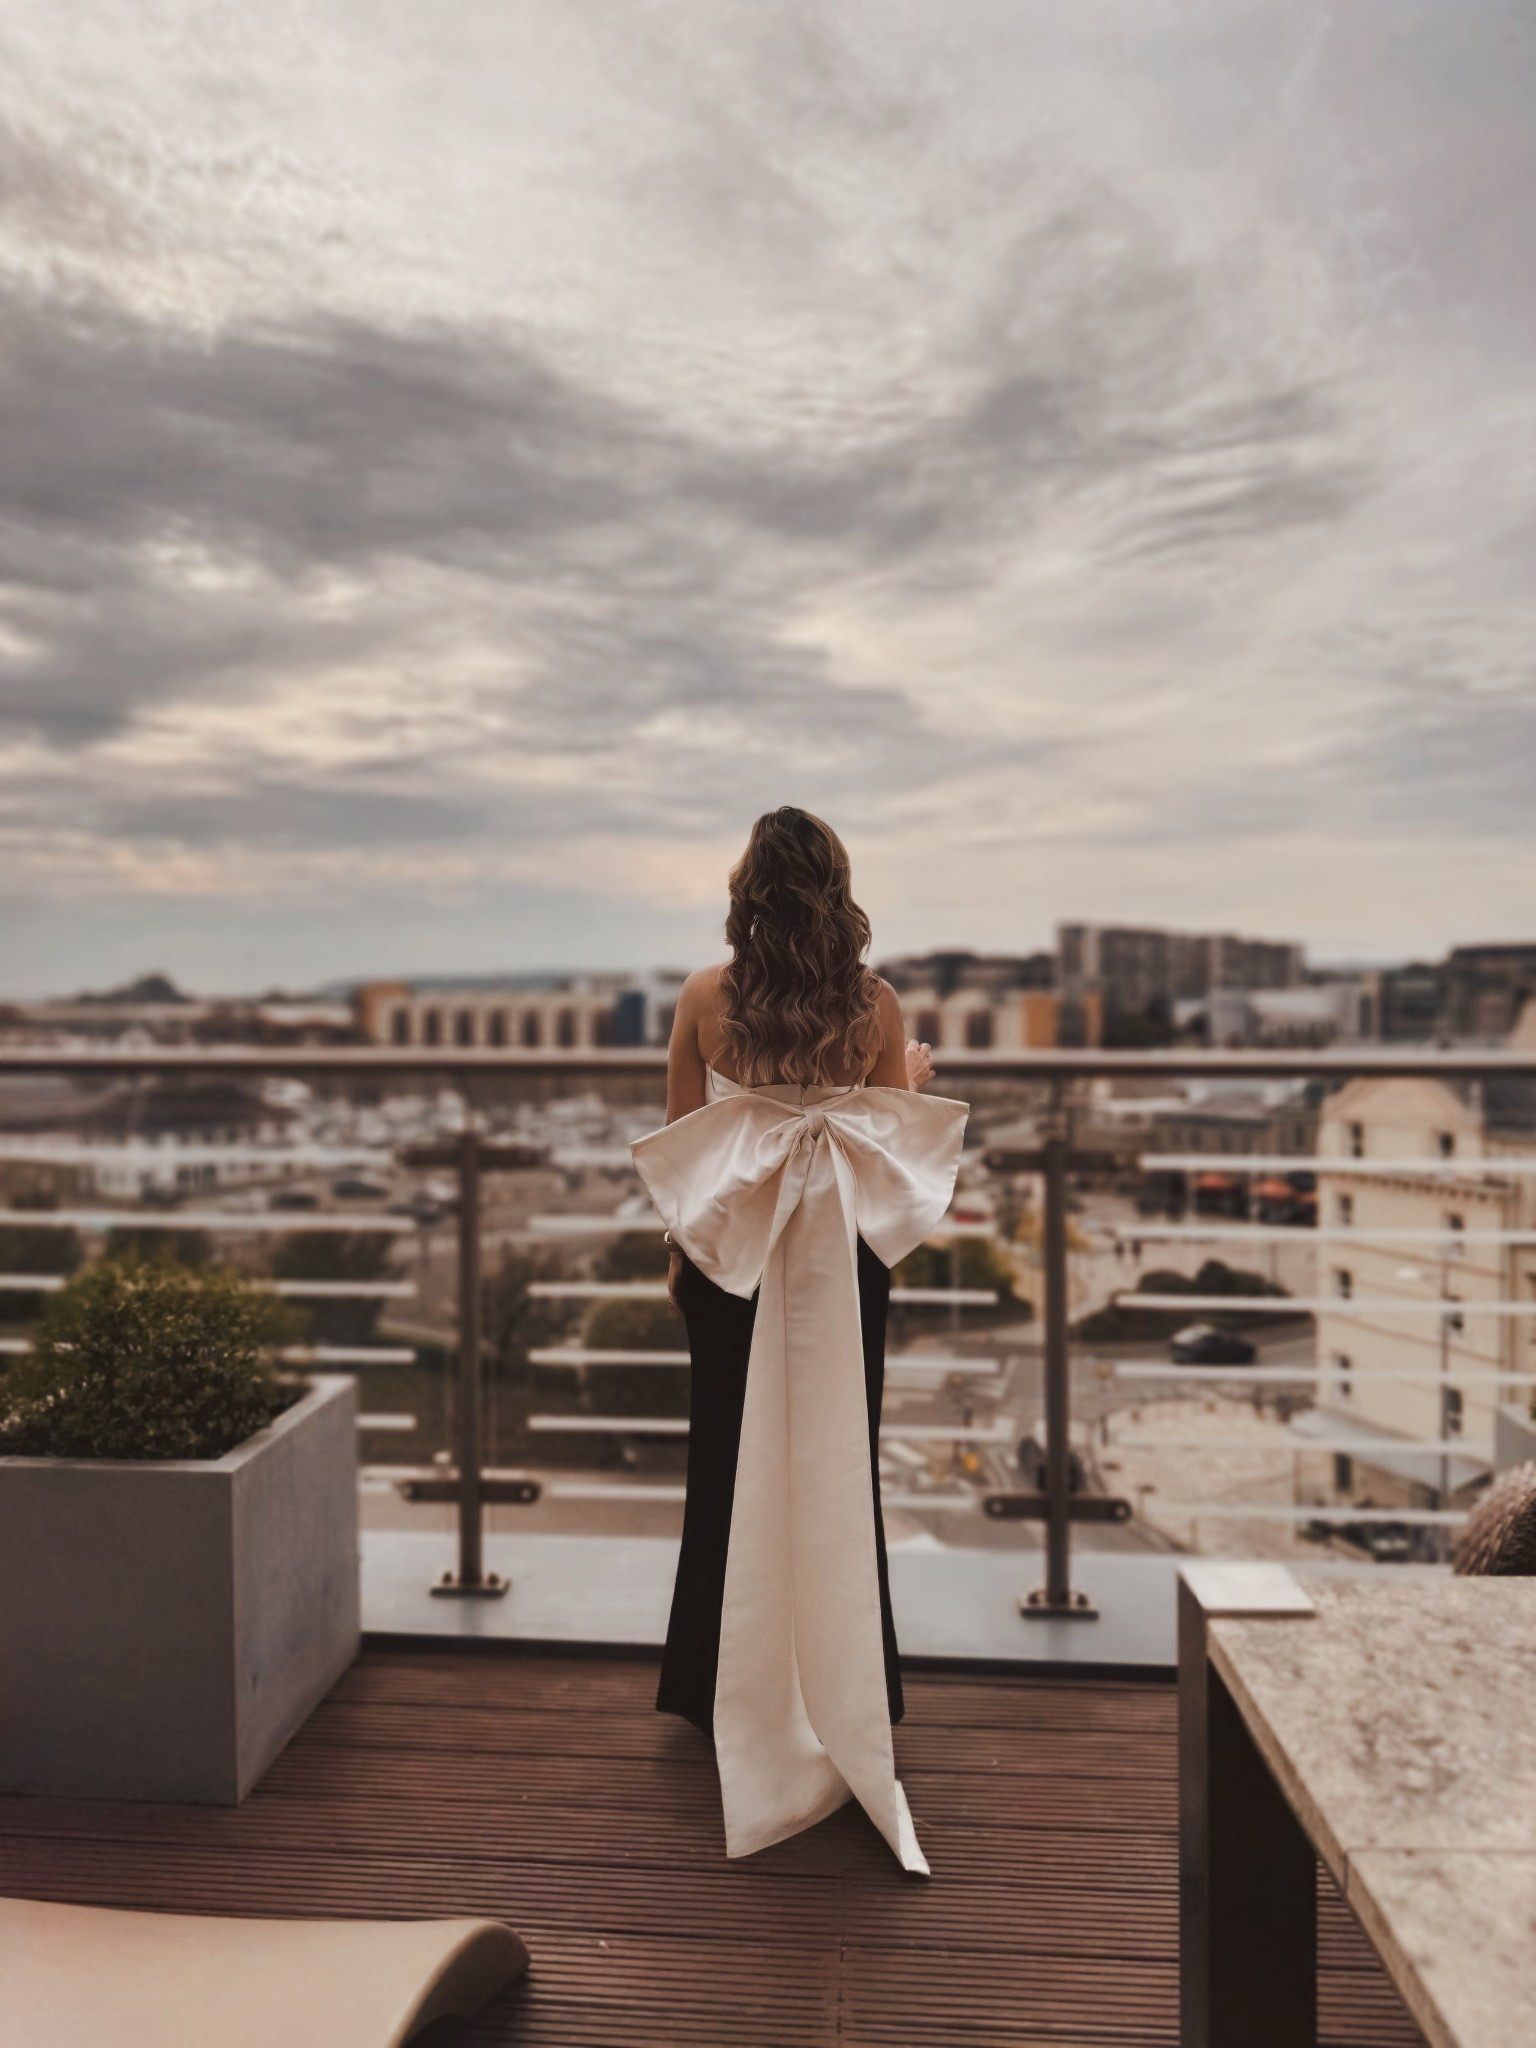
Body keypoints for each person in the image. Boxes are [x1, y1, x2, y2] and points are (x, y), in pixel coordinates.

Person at [629, 806, 968, 1876]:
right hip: (839, 1267)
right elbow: (873, 1139)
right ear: (836, 893)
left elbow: (694, 1153)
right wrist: (903, 1074)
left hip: (733, 1262)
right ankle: (851, 1679)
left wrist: (682, 1259)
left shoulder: (699, 998)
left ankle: (707, 1684)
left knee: (725, 1470)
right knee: (835, 1471)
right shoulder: (873, 1005)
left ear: (746, 893)